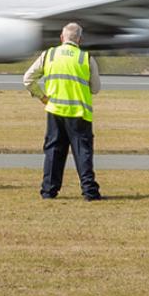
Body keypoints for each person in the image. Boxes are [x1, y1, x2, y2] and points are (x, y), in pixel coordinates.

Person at [23, 23, 102, 200]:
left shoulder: (48, 55)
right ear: (80, 40)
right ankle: (90, 192)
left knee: (53, 152)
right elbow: (95, 89)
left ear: (61, 37)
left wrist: (42, 97)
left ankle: (48, 191)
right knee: (83, 153)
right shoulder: (86, 58)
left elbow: (27, 79)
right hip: (79, 114)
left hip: (55, 111)